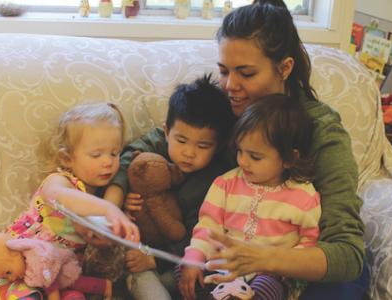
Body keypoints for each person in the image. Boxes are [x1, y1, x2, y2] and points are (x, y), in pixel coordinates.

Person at [183, 0, 369, 299]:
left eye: (246, 73)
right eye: (224, 71)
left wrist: (265, 259)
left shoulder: (321, 129)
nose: (230, 85)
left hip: (301, 265)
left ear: (284, 68)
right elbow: (157, 140)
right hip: (230, 263)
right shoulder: (222, 107)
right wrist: (121, 186)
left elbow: (348, 254)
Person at [0, 102, 140, 300]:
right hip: (14, 268)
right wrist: (108, 209)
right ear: (67, 158)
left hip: (56, 277)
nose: (108, 162)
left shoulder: (100, 197)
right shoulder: (60, 181)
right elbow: (58, 195)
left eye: (114, 153)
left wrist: (116, 227)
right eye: (96, 155)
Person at [104, 74, 237, 300]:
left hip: (180, 260)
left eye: (203, 146)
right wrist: (115, 203)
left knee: (196, 280)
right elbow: (128, 161)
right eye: (181, 141)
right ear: (166, 132)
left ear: (219, 146)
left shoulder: (215, 179)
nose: (189, 153)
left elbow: (201, 232)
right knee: (141, 275)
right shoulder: (157, 144)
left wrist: (155, 259)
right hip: (140, 252)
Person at [179, 95, 320, 300]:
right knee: (186, 270)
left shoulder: (304, 197)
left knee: (265, 289)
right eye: (240, 151)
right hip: (224, 265)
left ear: (290, 158)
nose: (243, 162)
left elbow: (308, 244)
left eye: (255, 156)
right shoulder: (226, 183)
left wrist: (282, 267)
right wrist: (195, 256)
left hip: (268, 273)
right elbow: (208, 226)